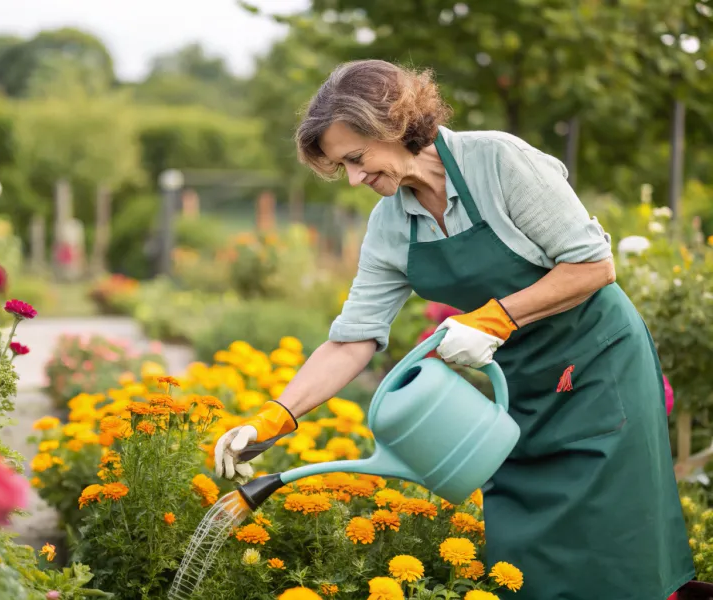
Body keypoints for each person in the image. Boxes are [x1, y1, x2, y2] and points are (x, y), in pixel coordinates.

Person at [213, 59, 694, 600]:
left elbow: (592, 266)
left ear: (393, 125)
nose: (353, 178)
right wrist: (276, 417)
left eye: (355, 158)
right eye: (340, 166)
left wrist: (494, 318)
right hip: (519, 389)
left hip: (601, 371)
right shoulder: (391, 224)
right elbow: (354, 337)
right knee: (523, 555)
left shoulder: (498, 161)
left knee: (614, 548)